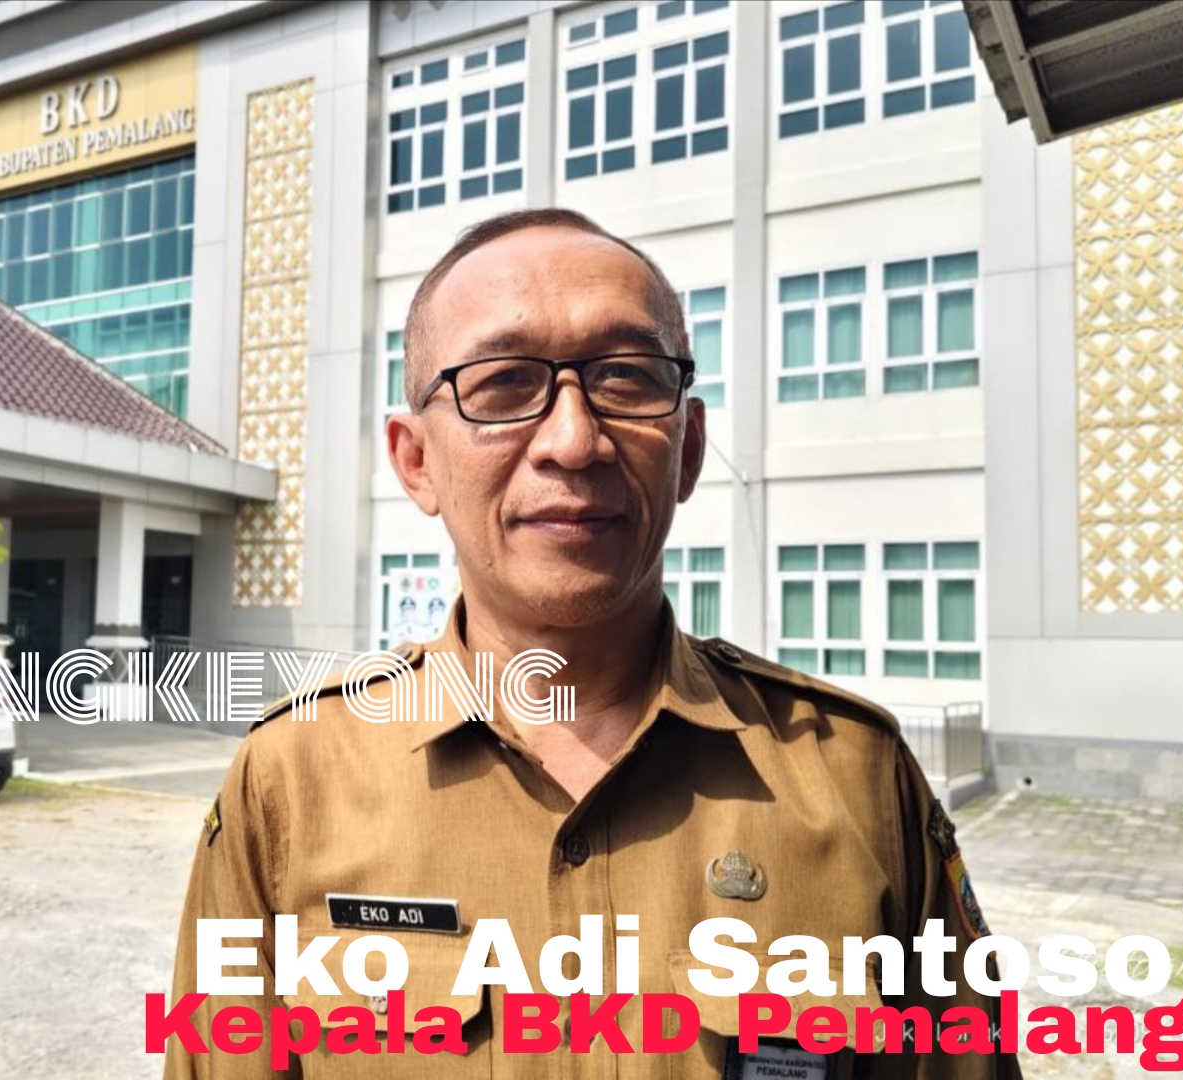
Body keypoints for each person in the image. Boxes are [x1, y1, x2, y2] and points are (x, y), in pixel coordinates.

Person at [164, 208, 1020, 1078]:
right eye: (503, 383)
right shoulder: (291, 781)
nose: (574, 441)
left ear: (688, 448)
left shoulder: (854, 775)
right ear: (417, 461)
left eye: (626, 378)